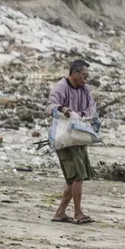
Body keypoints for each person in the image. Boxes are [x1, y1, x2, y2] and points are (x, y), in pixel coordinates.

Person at [49, 59, 98, 225]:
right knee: (78, 176)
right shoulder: (61, 87)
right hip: (64, 138)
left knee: (74, 178)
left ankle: (60, 213)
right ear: (75, 73)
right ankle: (78, 213)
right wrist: (64, 109)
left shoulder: (85, 89)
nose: (86, 79)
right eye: (85, 75)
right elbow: (50, 106)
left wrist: (82, 114)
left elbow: (92, 107)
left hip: (79, 136)